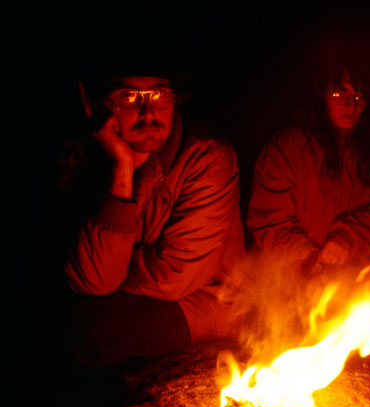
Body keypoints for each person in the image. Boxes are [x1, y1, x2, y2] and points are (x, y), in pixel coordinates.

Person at [49, 64, 245, 368]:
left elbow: (174, 276)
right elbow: (92, 279)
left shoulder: (207, 157)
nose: (147, 112)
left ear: (176, 99)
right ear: (100, 103)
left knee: (88, 333)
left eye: (158, 95)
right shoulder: (84, 155)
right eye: (128, 96)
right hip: (133, 292)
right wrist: (123, 168)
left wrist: (113, 269)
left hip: (208, 300)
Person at [247, 61, 370, 277]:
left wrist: (348, 237)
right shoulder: (289, 147)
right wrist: (306, 257)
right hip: (288, 284)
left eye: (358, 97)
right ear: (321, 96)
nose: (350, 105)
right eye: (339, 94)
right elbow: (267, 218)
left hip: (347, 287)